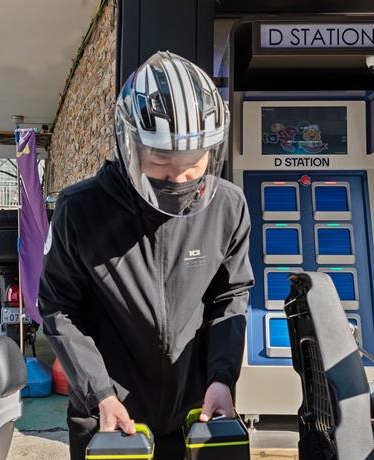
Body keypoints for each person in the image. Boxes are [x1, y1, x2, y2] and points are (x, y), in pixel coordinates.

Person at [39, 51, 254, 460]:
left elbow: (230, 296)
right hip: (109, 417)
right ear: (130, 144)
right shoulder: (81, 210)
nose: (179, 175)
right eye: (161, 160)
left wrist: (223, 377)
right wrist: (99, 393)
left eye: (194, 161)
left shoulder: (227, 207)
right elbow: (59, 306)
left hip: (196, 412)